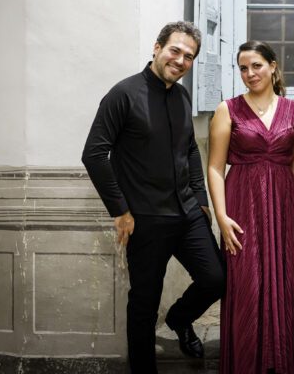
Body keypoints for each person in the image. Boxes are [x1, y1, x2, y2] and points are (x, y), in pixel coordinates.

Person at [81, 21, 225, 374]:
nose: (180, 60)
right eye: (175, 50)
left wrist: (201, 198)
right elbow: (94, 155)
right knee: (144, 304)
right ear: (157, 47)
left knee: (216, 279)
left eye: (188, 56)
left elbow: (190, 148)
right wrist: (120, 211)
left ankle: (179, 318)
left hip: (188, 212)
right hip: (145, 219)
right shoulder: (123, 94)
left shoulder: (181, 95)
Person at [207, 40, 294, 373]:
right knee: (246, 285)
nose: (250, 74)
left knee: (284, 286)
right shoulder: (228, 109)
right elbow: (214, 167)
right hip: (241, 207)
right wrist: (221, 216)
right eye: (243, 68)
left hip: (284, 208)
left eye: (257, 66)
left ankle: (279, 362)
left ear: (273, 66)